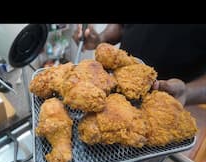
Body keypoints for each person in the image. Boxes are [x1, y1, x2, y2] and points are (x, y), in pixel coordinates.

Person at [73, 24, 206, 106]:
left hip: (172, 103)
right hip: (115, 92)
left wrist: (187, 93)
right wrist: (101, 38)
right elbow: (120, 26)